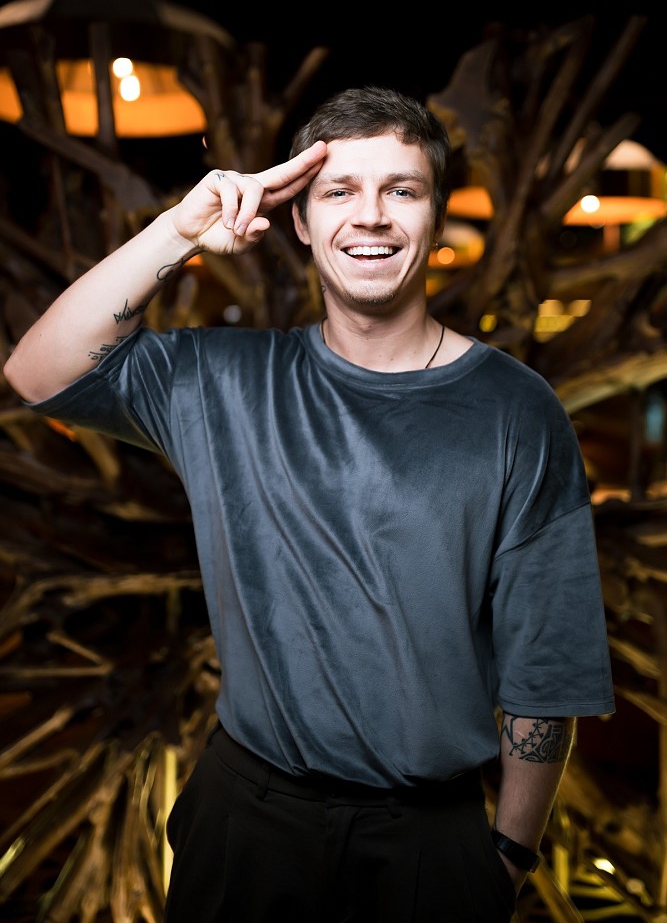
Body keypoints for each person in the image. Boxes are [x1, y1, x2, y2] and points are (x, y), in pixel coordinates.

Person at [3, 85, 615, 923]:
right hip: (245, 822)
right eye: (339, 191)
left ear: (434, 215)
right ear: (298, 219)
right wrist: (179, 230)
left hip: (427, 837)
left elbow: (548, 662)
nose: (370, 216)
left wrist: (507, 857)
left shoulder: (515, 410)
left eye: (401, 190)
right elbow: (38, 371)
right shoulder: (223, 381)